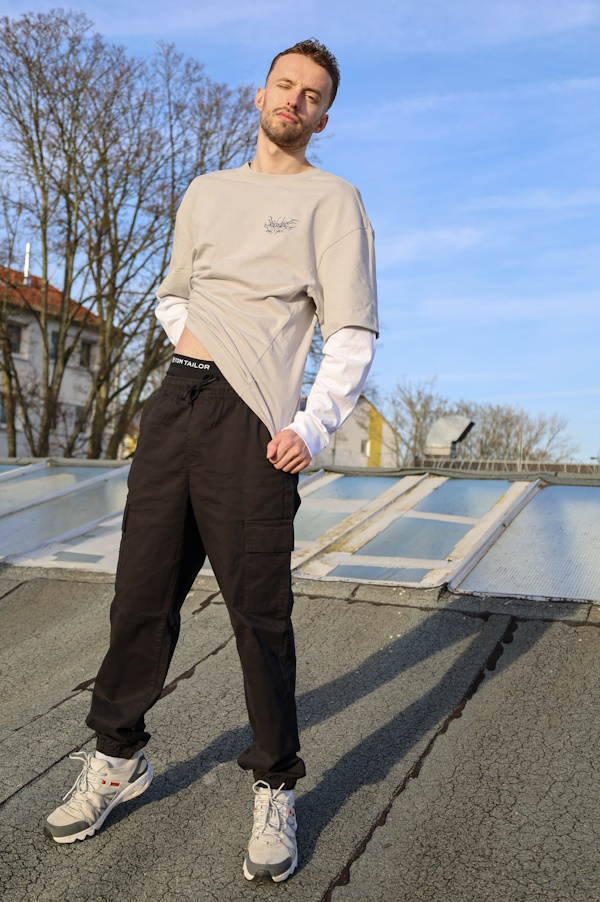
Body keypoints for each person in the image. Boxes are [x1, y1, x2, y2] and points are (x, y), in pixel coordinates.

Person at [44, 38, 378, 883]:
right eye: (284, 85)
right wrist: (196, 341)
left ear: (323, 118)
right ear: (260, 94)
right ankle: (117, 759)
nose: (295, 100)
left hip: (252, 424)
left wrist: (313, 424)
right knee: (140, 596)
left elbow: (350, 331)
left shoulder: (333, 200)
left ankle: (275, 785)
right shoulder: (206, 192)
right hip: (175, 402)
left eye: (312, 95)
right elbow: (173, 293)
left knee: (259, 614)